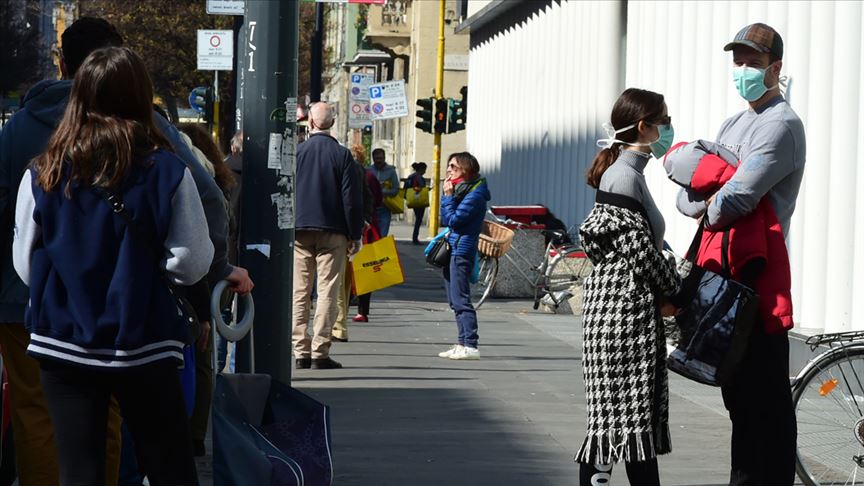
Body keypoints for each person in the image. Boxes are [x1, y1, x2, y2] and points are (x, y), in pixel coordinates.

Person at [13, 46, 211, 485]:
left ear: (78, 96)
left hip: (63, 341)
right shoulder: (167, 171)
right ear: (140, 96)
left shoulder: (43, 172)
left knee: (78, 468)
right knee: (168, 465)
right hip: (144, 339)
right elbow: (191, 263)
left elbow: (25, 264)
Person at [0, 17, 126, 485]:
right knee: (106, 407)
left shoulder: (19, 128)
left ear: (63, 63)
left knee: (35, 413)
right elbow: (202, 200)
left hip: (24, 299)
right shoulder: (136, 123)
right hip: (110, 299)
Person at [677, 23, 805, 485]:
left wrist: (709, 194)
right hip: (723, 278)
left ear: (776, 68)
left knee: (763, 403)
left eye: (753, 61)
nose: (744, 69)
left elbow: (733, 200)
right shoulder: (734, 123)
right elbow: (691, 196)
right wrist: (708, 196)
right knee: (738, 401)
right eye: (739, 60)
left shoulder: (782, 125)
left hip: (758, 281)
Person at [575, 88, 681, 486]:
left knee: (629, 422)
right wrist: (676, 289)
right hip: (621, 318)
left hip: (627, 312)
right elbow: (638, 251)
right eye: (664, 120)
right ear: (644, 126)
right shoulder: (622, 176)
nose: (669, 128)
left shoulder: (628, 172)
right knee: (614, 421)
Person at [177, 122, 238, 457]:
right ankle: (196, 431)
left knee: (194, 352)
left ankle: (187, 428)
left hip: (194, 277)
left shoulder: (183, 172)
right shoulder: (214, 176)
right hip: (217, 273)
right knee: (205, 355)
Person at [293, 102, 363, 370]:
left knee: (300, 292)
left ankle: (300, 350)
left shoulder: (297, 152)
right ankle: (320, 351)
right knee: (327, 291)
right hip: (333, 231)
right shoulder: (343, 155)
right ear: (332, 123)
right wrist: (354, 234)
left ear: (309, 122)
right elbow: (351, 201)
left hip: (300, 230)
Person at [436, 152, 490, 361]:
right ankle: (461, 342)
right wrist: (448, 196)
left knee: (461, 299)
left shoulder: (475, 194)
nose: (449, 170)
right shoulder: (462, 190)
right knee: (453, 299)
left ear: (466, 171)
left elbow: (453, 220)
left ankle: (470, 344)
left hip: (461, 250)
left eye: (453, 167)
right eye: (449, 166)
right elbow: (447, 217)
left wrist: (448, 197)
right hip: (454, 248)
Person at [333, 144, 382, 339]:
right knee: (341, 279)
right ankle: (339, 323)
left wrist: (362, 224)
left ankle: (338, 324)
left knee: (341, 278)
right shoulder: (356, 170)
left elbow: (367, 198)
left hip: (348, 230)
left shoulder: (359, 172)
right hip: (347, 229)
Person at [370, 148, 399, 236]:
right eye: (377, 158)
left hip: (385, 208)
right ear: (373, 159)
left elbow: (395, 189)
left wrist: (383, 191)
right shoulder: (368, 170)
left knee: (382, 235)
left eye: (381, 158)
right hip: (371, 209)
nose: (379, 161)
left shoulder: (391, 171)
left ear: (384, 158)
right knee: (372, 236)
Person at [404, 162, 428, 244]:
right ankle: (415, 238)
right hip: (419, 200)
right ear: (421, 169)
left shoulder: (410, 177)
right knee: (418, 219)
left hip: (412, 199)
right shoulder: (419, 177)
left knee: (417, 219)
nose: (425, 171)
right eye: (424, 169)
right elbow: (421, 187)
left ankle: (415, 237)